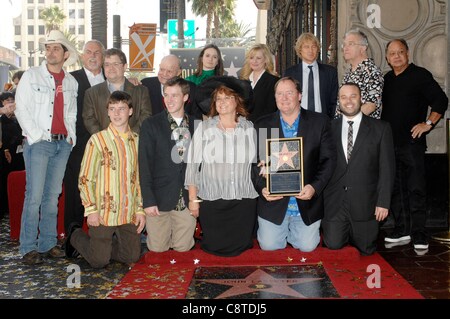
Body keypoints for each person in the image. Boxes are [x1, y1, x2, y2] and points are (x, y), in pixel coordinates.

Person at [14, 30, 78, 265]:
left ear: (65, 54)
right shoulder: (31, 76)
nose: (50, 52)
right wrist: (37, 136)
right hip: (39, 144)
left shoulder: (71, 81)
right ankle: (28, 246)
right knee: (34, 197)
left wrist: (71, 136)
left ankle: (48, 242)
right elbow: (21, 109)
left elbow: (71, 112)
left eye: (55, 48)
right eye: (48, 47)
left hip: (63, 144)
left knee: (52, 196)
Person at [252, 76, 336, 252]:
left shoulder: (319, 122)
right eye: (279, 94)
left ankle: (296, 231)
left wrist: (314, 187)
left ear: (299, 95)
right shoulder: (262, 125)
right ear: (274, 98)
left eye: (289, 93)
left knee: (307, 247)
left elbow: (328, 161)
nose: (284, 98)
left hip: (305, 201)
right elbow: (254, 164)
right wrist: (262, 189)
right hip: (274, 202)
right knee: (269, 246)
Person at [65, 91, 146, 268]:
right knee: (98, 261)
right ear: (107, 112)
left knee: (131, 256)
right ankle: (75, 235)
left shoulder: (137, 141)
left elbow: (139, 179)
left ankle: (106, 248)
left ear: (130, 111)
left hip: (128, 211)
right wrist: (91, 209)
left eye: (122, 109)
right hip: (103, 212)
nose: (117, 113)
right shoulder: (97, 140)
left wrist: (140, 209)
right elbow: (85, 178)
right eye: (112, 109)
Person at [381, 39, 448, 250]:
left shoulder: (420, 75)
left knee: (416, 189)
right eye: (392, 53)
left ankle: (419, 234)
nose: (397, 56)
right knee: (396, 190)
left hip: (412, 144)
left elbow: (441, 100)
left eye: (401, 52)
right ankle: (402, 230)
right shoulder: (387, 79)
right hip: (391, 144)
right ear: (387, 58)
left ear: (408, 54)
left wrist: (428, 124)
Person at [185, 77, 258, 257]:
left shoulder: (249, 128)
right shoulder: (204, 128)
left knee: (243, 252)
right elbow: (193, 165)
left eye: (227, 98)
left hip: (243, 202)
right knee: (213, 251)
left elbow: (257, 163)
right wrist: (193, 200)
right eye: (218, 99)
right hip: (213, 202)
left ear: (237, 101)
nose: (222, 102)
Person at [323, 83, 395, 255]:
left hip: (366, 205)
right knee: (333, 247)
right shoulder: (327, 128)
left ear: (361, 98)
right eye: (344, 97)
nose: (348, 101)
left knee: (366, 251)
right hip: (335, 205)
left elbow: (387, 169)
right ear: (338, 101)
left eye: (353, 96)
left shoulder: (381, 129)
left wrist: (383, 203)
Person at [139, 77, 196, 252]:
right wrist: (148, 201)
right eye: (166, 95)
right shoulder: (151, 124)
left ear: (185, 97)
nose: (169, 100)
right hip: (159, 200)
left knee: (183, 249)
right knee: (157, 249)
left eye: (174, 96)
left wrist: (196, 200)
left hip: (186, 200)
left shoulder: (197, 124)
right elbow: (144, 165)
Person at [63, 39, 105, 234]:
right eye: (88, 52)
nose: (93, 56)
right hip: (77, 145)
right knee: (75, 191)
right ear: (82, 56)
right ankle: (73, 236)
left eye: (97, 52)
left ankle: (104, 237)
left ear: (103, 57)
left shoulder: (113, 79)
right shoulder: (69, 79)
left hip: (106, 145)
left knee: (105, 189)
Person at [83, 48, 152, 135]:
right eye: (107, 64)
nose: (111, 68)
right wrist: (104, 138)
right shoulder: (91, 93)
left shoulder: (141, 91)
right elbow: (89, 119)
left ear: (125, 67)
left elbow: (146, 115)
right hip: (104, 145)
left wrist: (131, 135)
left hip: (133, 143)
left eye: (115, 64)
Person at [283, 33, 338, 119]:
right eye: (306, 47)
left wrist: (330, 121)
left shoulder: (330, 72)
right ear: (300, 50)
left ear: (318, 49)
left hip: (322, 122)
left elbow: (334, 100)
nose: (310, 50)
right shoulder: (290, 73)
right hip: (297, 121)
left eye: (314, 47)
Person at [335, 29, 384, 119]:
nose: (345, 48)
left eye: (351, 44)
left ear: (363, 48)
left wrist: (346, 121)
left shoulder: (372, 72)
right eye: (344, 45)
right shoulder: (348, 73)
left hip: (363, 129)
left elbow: (371, 106)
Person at [239, 43, 280, 122]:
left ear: (265, 60)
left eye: (258, 58)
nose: (254, 61)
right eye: (251, 58)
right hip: (245, 128)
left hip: (267, 128)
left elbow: (273, 110)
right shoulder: (242, 81)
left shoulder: (274, 81)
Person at [0, 92, 25, 218]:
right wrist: (5, 150)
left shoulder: (16, 118)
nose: (10, 102)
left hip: (18, 153)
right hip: (6, 153)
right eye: (7, 100)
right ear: (2, 102)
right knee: (5, 180)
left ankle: (13, 206)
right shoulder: (2, 119)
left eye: (12, 100)